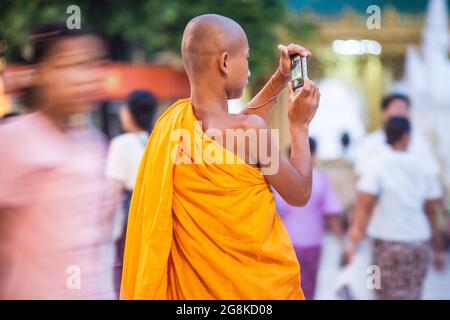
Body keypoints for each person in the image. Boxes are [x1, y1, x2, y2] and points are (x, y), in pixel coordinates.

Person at [120, 14, 321, 300]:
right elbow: (300, 192)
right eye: (247, 59)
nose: (250, 70)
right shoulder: (248, 132)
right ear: (225, 62)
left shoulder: (174, 126)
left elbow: (236, 130)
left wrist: (280, 79)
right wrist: (300, 127)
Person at [0, 22, 117, 299]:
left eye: (92, 64)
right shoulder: (14, 141)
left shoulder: (94, 144)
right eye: (70, 65)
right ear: (41, 72)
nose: (85, 77)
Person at [347, 117, 446, 300]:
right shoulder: (423, 165)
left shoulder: (377, 164)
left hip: (383, 243)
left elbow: (364, 207)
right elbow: (432, 210)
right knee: (413, 294)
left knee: (378, 291)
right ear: (407, 136)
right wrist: (439, 249)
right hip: (417, 242)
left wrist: (353, 243)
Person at [275, 137, 345, 300]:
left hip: (285, 244)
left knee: (285, 289)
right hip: (313, 244)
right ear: (312, 154)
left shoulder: (278, 179)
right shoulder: (320, 179)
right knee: (308, 291)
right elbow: (332, 215)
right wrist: (344, 244)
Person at [105, 90, 158, 293]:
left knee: (126, 281)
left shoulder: (121, 144)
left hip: (132, 223)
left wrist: (101, 228)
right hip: (156, 221)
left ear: (129, 113)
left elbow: (112, 194)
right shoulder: (156, 141)